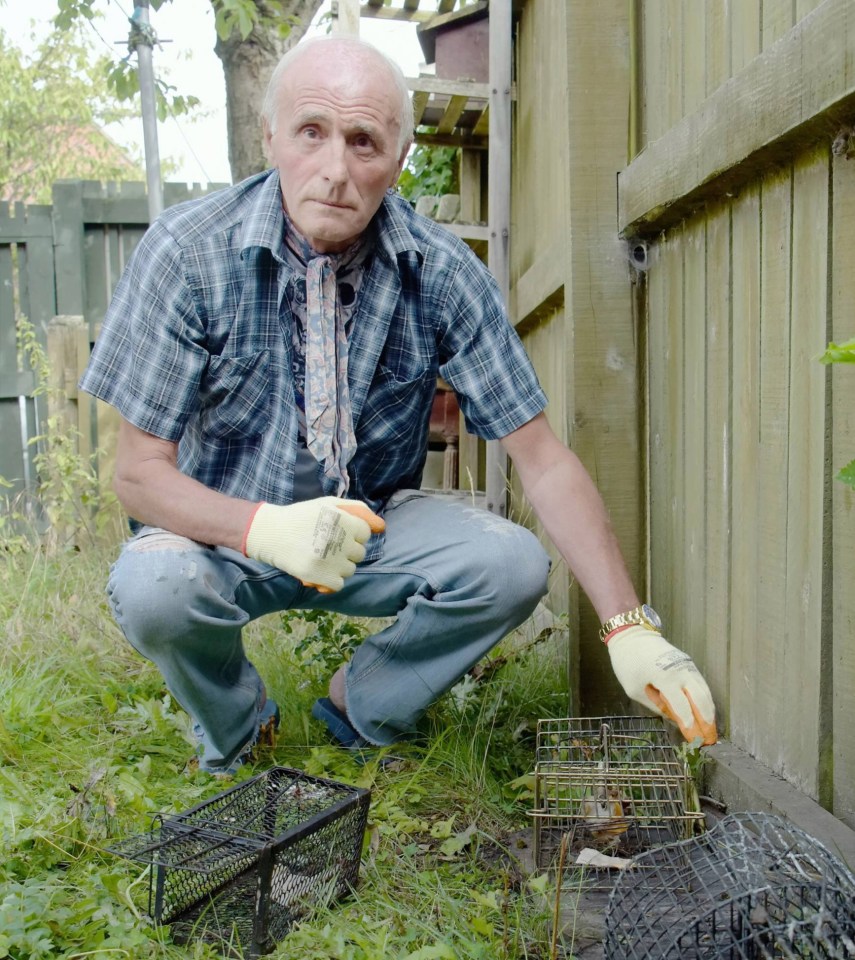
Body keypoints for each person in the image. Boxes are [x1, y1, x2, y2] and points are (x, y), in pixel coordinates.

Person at [80, 35, 716, 776]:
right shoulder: (186, 251)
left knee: (509, 563)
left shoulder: (442, 271)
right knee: (154, 589)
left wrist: (627, 625)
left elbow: (541, 461)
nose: (336, 171)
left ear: (400, 159)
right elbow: (138, 476)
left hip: (371, 527)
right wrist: (262, 528)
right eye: (311, 132)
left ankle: (361, 707)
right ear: (270, 136)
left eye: (364, 143)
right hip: (222, 537)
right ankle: (242, 728)